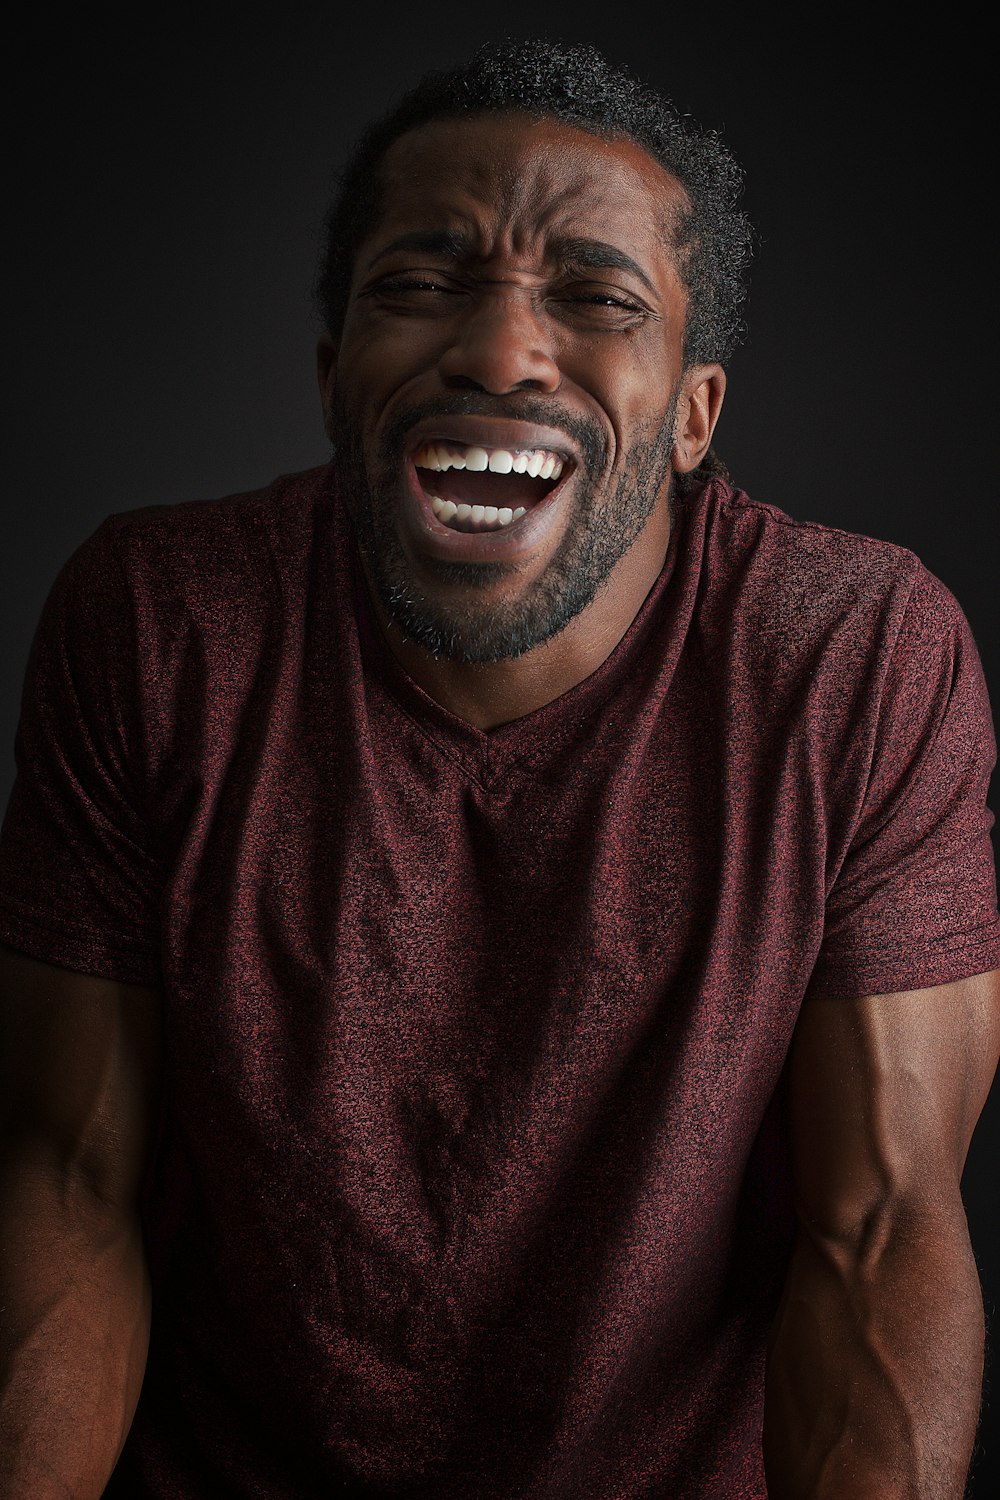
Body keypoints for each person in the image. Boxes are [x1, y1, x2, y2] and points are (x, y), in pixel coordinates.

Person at [1, 37, 998, 1500]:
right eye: (421, 286)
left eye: (596, 299)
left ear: (695, 418)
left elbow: (877, 1240)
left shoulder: (849, 657)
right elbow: (65, 1180)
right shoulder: (162, 621)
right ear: (336, 377)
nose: (497, 351)